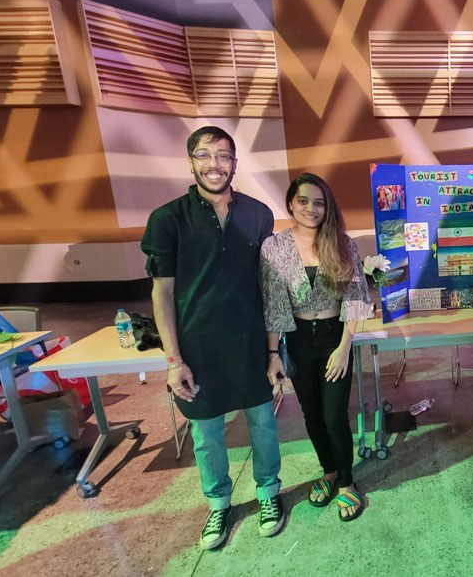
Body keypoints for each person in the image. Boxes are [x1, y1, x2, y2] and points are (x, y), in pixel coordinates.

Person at [142, 126, 284, 550]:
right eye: (204, 156)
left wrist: (274, 349)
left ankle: (268, 494)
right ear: (191, 162)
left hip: (249, 342)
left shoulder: (259, 215)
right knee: (206, 434)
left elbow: (270, 285)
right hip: (197, 348)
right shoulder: (168, 219)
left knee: (263, 423)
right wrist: (173, 360)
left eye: (223, 156)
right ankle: (218, 503)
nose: (214, 164)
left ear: (235, 163)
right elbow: (162, 293)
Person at [261, 173, 373, 522]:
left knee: (333, 414)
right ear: (291, 203)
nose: (311, 208)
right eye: (304, 201)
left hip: (333, 336)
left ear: (328, 208)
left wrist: (344, 347)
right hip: (296, 339)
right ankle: (328, 471)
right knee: (311, 414)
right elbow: (273, 304)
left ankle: (346, 482)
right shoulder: (274, 246)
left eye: (319, 202)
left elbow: (355, 297)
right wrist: (272, 354)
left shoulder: (342, 243)